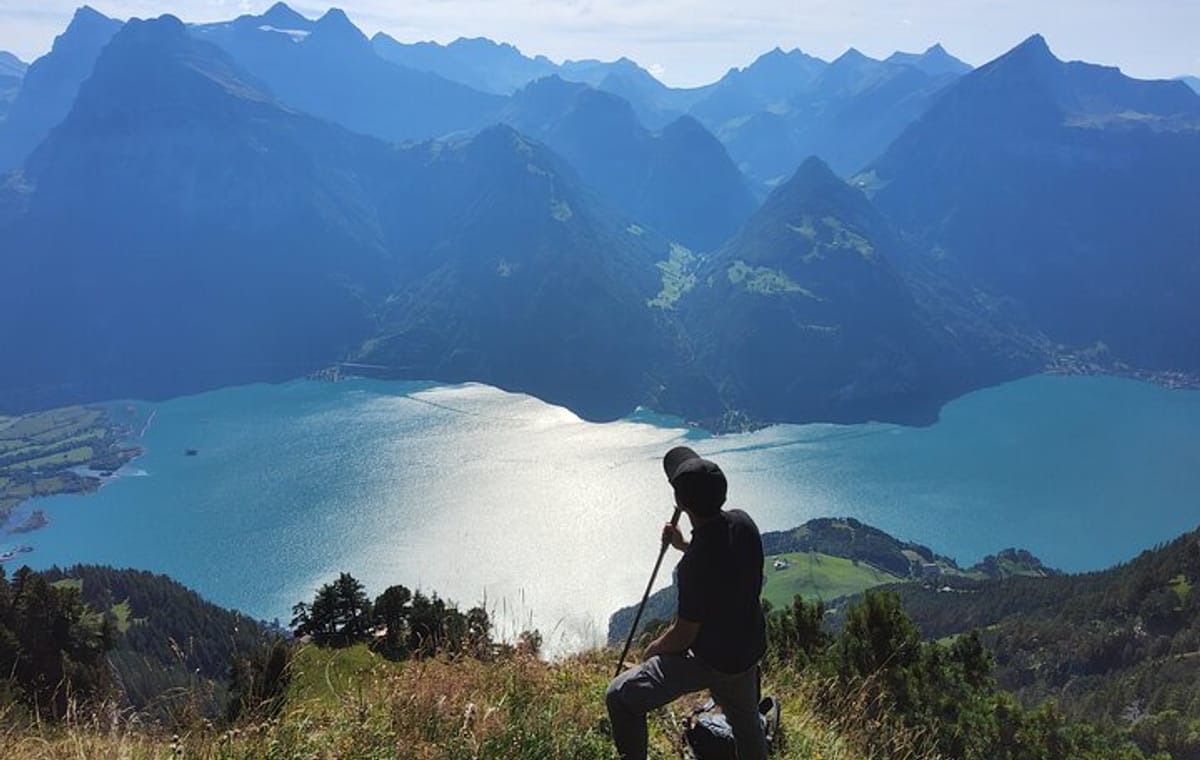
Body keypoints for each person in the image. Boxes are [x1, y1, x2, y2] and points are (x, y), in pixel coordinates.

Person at [606, 445, 768, 760]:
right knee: (747, 724)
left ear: (681, 503)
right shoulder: (743, 523)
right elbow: (721, 560)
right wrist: (685, 545)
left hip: (711, 660)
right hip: (748, 651)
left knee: (619, 697)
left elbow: (684, 635)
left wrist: (652, 650)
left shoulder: (694, 566)